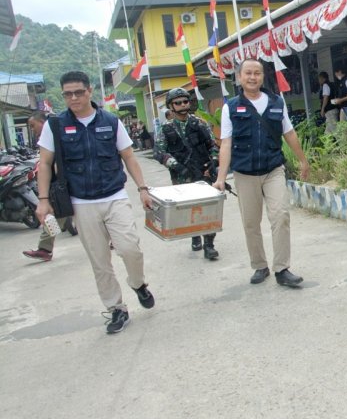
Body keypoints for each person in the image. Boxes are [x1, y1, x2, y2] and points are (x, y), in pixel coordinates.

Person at [35, 71, 155, 334]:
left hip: (114, 196)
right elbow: (44, 163)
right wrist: (43, 200)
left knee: (130, 249)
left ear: (90, 91)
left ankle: (138, 284)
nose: (74, 98)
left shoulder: (110, 121)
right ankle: (116, 309)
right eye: (68, 94)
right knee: (100, 261)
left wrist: (143, 188)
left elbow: (128, 156)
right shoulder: (54, 126)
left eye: (79, 92)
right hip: (81, 202)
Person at [212, 58, 310, 287]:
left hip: (273, 169)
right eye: (248, 73)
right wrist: (220, 178)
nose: (253, 77)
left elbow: (290, 133)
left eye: (257, 73)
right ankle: (259, 265)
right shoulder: (231, 107)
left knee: (281, 216)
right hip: (245, 173)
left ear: (263, 77)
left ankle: (282, 269)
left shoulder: (277, 102)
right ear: (239, 77)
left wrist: (303, 161)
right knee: (251, 223)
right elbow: (225, 143)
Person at [155, 87, 220, 260]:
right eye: (178, 103)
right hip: (182, 177)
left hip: (203, 173)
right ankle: (194, 235)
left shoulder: (199, 123)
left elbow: (213, 145)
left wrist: (213, 162)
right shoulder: (166, 129)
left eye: (185, 101)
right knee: (189, 211)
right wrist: (177, 167)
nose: (183, 105)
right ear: (171, 106)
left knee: (208, 209)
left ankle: (209, 244)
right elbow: (160, 152)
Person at [22, 111, 69, 262]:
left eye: (33, 126)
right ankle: (45, 249)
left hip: (67, 183)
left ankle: (45, 249)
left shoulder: (57, 132)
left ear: (42, 123)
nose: (32, 129)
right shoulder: (46, 138)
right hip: (58, 186)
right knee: (56, 217)